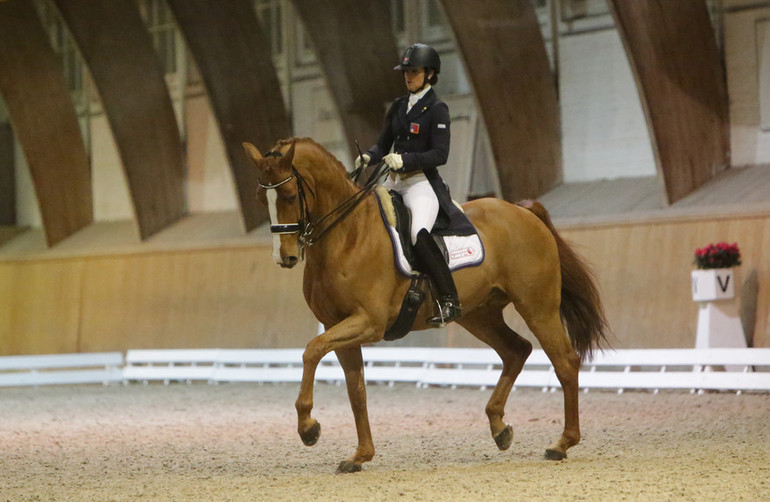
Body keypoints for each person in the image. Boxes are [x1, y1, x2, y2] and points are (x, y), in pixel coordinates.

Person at [356, 43, 461, 326]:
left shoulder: (438, 109)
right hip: (392, 181)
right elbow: (383, 143)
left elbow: (440, 154)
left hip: (420, 183)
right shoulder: (399, 106)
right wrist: (369, 156)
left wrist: (406, 160)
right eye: (406, 72)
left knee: (418, 232)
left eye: (413, 72)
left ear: (429, 74)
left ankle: (449, 299)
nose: (408, 77)